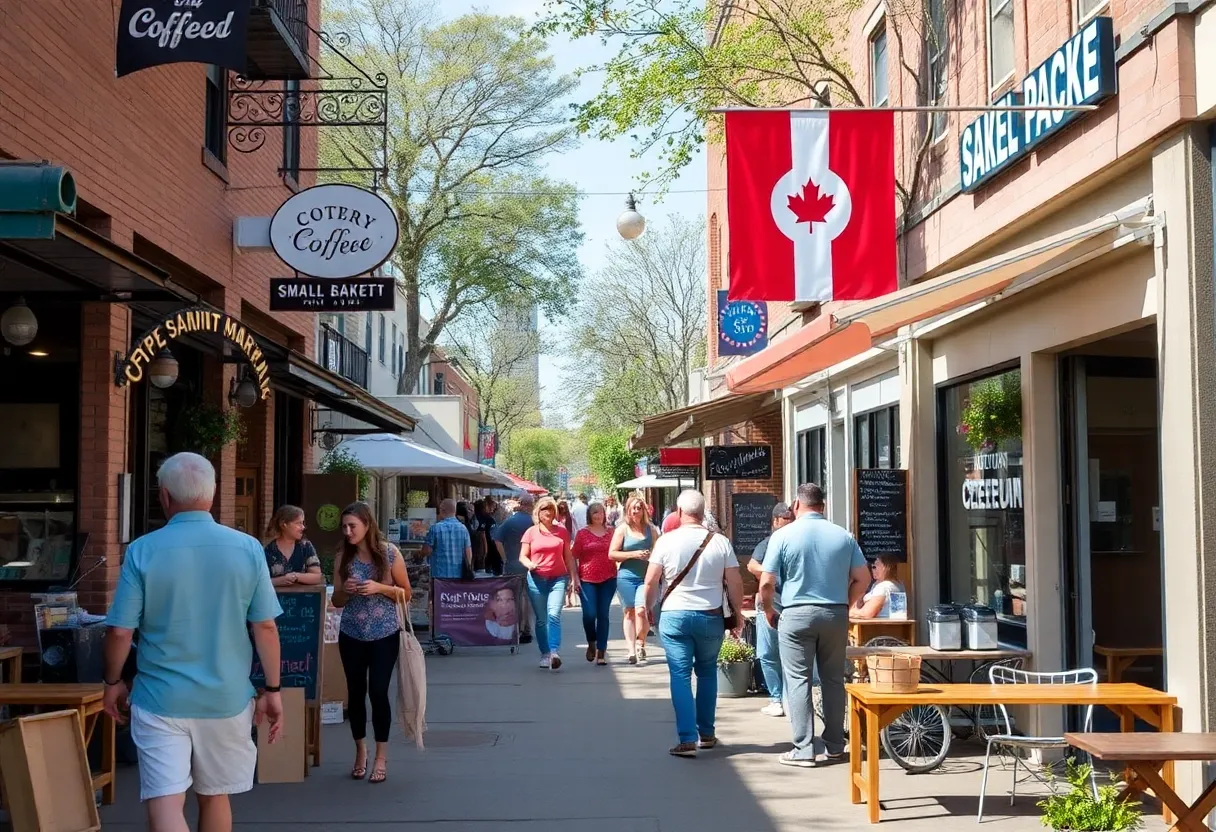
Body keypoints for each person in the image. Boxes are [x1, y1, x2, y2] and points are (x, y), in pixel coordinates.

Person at [102, 452, 284, 832]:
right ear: (213, 494)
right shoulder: (248, 548)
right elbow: (265, 627)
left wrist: (113, 682)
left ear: (164, 496)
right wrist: (272, 688)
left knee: (165, 801)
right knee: (215, 795)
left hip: (160, 699)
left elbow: (120, 631)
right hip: (226, 698)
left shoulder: (142, 550)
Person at [760, 483, 869, 768]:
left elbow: (767, 581)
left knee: (798, 680)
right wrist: (845, 602)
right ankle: (835, 745)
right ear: (823, 506)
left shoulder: (783, 536)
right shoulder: (843, 536)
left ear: (797, 505)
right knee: (833, 680)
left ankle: (804, 749)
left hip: (796, 614)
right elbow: (864, 578)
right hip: (834, 614)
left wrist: (769, 609)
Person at [644, 489, 744, 758]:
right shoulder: (720, 542)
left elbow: (652, 580)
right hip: (710, 616)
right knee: (707, 673)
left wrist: (647, 607)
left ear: (678, 512)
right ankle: (707, 733)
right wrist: (738, 614)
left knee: (680, 675)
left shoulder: (666, 541)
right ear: (703, 513)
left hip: (675, 615)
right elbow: (734, 581)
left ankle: (687, 738)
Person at [331, 502, 412, 784]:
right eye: (344, 526)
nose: (348, 531)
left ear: (367, 524)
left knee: (378, 691)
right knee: (355, 692)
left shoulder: (389, 553)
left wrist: (380, 588)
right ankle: (360, 750)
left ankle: (381, 755)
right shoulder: (343, 555)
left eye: (352, 525)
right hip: (352, 632)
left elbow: (406, 594)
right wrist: (347, 591)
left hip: (384, 633)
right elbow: (336, 599)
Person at [747, 502, 796, 717]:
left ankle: (789, 698)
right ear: (775, 521)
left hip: (792, 606)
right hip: (769, 604)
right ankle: (776, 698)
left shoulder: (798, 541)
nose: (788, 524)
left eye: (791, 520)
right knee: (767, 654)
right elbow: (751, 565)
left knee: (791, 656)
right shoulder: (769, 543)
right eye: (784, 520)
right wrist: (771, 573)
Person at [519, 496, 578, 670]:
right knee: (541, 619)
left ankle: (554, 652)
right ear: (538, 512)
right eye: (544, 509)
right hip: (536, 579)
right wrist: (529, 563)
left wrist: (574, 577)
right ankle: (544, 653)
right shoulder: (531, 532)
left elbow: (568, 557)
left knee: (554, 615)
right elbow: (523, 555)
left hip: (558, 578)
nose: (548, 512)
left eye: (551, 509)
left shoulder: (562, 532)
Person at [609, 495, 661, 665]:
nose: (636, 510)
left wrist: (651, 556)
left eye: (639, 507)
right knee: (629, 612)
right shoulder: (622, 530)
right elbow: (612, 554)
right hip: (626, 576)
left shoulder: (651, 529)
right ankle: (631, 649)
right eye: (633, 508)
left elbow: (659, 551)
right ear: (628, 511)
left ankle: (641, 641)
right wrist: (633, 554)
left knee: (641, 610)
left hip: (645, 577)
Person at [572, 501, 617, 665]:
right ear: (589, 516)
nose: (599, 515)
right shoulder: (582, 534)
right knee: (590, 615)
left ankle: (601, 651)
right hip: (587, 579)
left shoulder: (611, 532)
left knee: (603, 615)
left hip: (609, 578)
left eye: (601, 512)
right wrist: (574, 577)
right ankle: (591, 642)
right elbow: (573, 555)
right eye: (595, 513)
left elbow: (618, 551)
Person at [492, 493, 536, 643]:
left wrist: (505, 558)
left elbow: (497, 540)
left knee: (514, 598)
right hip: (531, 565)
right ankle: (527, 629)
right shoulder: (534, 522)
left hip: (512, 565)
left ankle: (515, 629)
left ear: (520, 504)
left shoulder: (510, 521)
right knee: (527, 598)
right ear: (531, 505)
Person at [263, 505, 324, 587]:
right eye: (298, 523)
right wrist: (279, 581)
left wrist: (295, 576)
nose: (303, 527)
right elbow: (260, 582)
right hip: (275, 598)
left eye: (303, 523)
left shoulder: (305, 547)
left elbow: (317, 577)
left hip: (303, 598)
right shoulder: (268, 550)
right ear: (284, 524)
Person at [421, 499, 473, 581]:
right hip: (458, 574)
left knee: (439, 594)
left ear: (442, 510)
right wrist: (468, 568)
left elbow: (427, 550)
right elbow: (468, 552)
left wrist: (420, 554)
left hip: (439, 575)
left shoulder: (435, 528)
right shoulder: (463, 529)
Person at [852, 554, 906, 619]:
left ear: (885, 567)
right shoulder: (899, 585)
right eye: (872, 567)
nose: (873, 569)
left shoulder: (884, 587)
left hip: (878, 626)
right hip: (895, 626)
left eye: (875, 566)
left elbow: (866, 614)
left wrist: (849, 612)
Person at [474, 499, 499, 574]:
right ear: (485, 507)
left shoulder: (472, 518)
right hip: (489, 546)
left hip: (475, 548)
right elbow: (492, 533)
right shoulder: (489, 518)